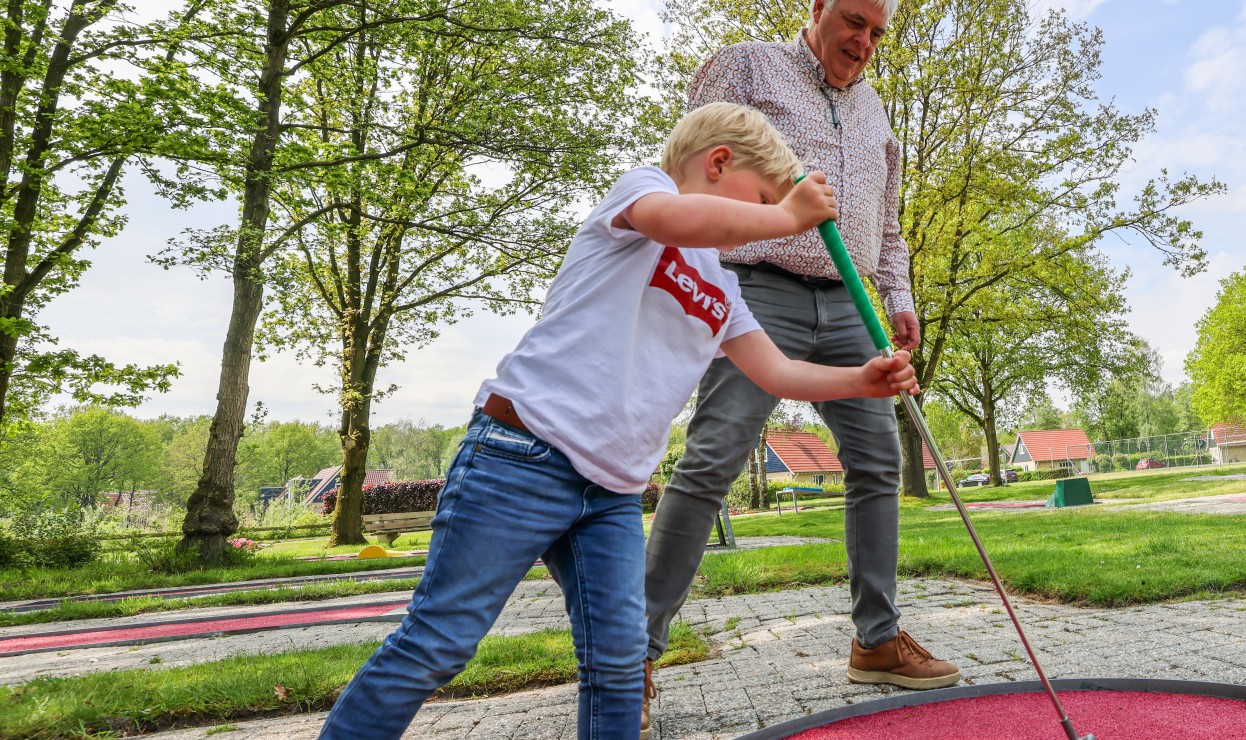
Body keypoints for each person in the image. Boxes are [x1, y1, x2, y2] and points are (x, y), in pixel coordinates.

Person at [316, 102, 921, 740]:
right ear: (718, 163)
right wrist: (787, 215)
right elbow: (674, 219)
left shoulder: (724, 288)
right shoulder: (644, 193)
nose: (765, 227)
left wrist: (860, 380)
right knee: (439, 643)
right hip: (521, 455)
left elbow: (778, 372)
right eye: (760, 200)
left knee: (619, 666)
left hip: (611, 492)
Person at [644, 0, 964, 705]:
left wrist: (899, 294)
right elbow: (692, 178)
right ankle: (631, 655)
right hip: (757, 286)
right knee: (713, 459)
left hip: (850, 304)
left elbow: (887, 227)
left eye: (877, 32)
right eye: (853, 21)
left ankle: (877, 640)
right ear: (817, 7)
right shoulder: (747, 66)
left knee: (878, 462)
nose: (864, 41)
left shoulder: (876, 112)